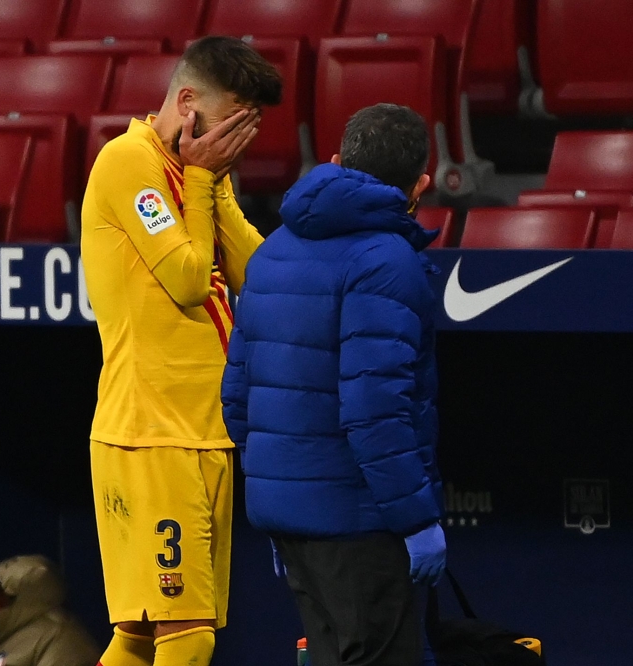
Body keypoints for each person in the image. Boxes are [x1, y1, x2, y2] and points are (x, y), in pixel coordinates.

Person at [80, 36, 282, 666]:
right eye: (231, 123)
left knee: (141, 637)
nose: (236, 142)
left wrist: (210, 183)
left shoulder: (195, 176)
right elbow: (191, 279)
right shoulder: (127, 162)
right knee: (188, 636)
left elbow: (260, 275)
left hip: (203, 430)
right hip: (150, 434)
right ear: (187, 102)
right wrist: (200, 180)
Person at [221, 103, 447, 666]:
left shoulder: (271, 250)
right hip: (361, 521)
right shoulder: (389, 260)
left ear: (337, 161)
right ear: (421, 184)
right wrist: (417, 521)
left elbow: (237, 395)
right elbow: (374, 410)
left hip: (292, 521)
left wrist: (280, 496)